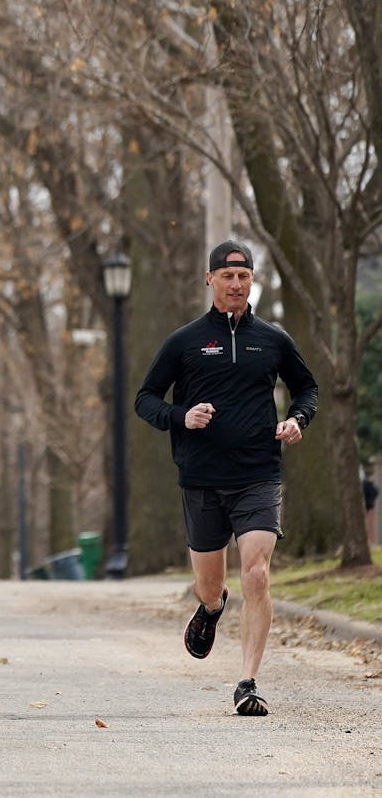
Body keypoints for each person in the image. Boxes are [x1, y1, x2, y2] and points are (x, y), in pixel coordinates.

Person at [134, 239, 317, 717]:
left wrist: (298, 419)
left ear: (252, 281)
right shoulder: (185, 341)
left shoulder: (273, 340)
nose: (236, 284)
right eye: (227, 276)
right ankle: (213, 609)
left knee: (257, 573)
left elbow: (307, 388)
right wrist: (181, 416)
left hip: (259, 472)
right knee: (209, 585)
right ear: (210, 279)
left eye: (244, 276)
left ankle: (249, 681)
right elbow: (146, 399)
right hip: (201, 477)